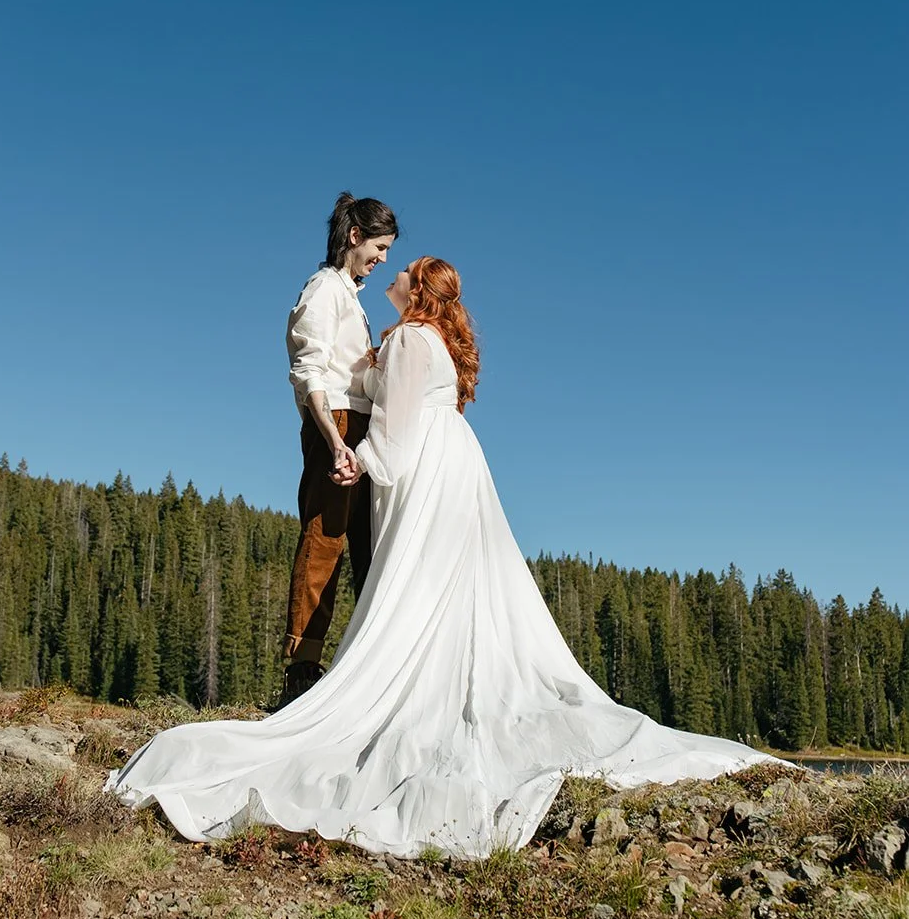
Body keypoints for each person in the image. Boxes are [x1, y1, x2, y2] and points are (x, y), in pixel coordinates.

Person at [107, 257, 779, 859]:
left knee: (417, 588)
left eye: (402, 274)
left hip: (424, 471)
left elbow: (393, 438)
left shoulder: (405, 339)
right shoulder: (433, 345)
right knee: (455, 590)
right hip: (459, 466)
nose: (391, 273)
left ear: (417, 292)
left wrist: (355, 461)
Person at [279, 192, 399, 707]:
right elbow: (309, 372)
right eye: (380, 246)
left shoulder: (351, 297)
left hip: (362, 430)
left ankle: (371, 665)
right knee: (324, 539)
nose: (383, 259)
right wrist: (334, 443)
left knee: (370, 549)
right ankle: (303, 669)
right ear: (354, 237)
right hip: (337, 427)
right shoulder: (324, 290)